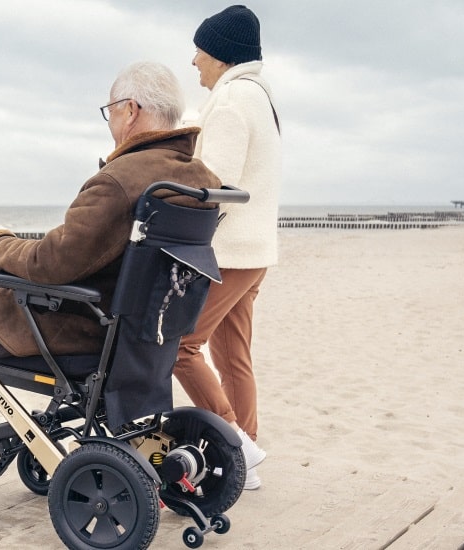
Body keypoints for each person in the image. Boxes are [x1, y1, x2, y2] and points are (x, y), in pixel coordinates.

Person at [0, 61, 222, 447]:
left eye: (110, 110)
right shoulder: (200, 179)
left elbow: (49, 263)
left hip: (87, 331)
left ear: (131, 110)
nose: (110, 121)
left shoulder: (119, 180)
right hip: (147, 339)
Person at [170, 4, 278, 490]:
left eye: (199, 50)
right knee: (233, 353)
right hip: (255, 253)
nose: (193, 61)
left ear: (219, 53)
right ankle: (244, 462)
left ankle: (235, 444)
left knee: (180, 346)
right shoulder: (260, 97)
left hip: (228, 253)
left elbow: (216, 185)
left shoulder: (233, 100)